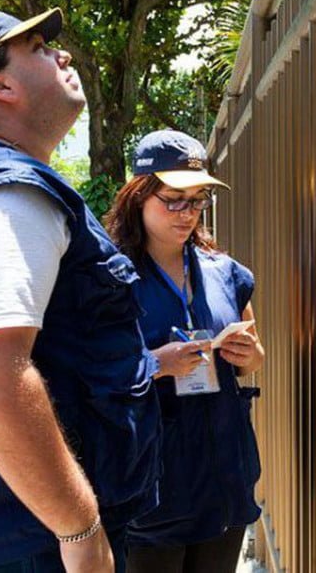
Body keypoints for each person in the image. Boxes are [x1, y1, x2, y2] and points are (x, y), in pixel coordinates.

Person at [0, 9, 204, 572]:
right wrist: (78, 527)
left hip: (25, 528)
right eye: (36, 47)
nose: (63, 55)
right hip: (27, 540)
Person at [104, 130, 266, 573]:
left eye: (197, 200)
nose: (187, 213)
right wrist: (158, 364)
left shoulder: (224, 272)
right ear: (138, 196)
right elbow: (89, 374)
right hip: (153, 485)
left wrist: (247, 354)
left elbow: (256, 357)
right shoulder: (110, 279)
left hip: (224, 477)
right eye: (173, 198)